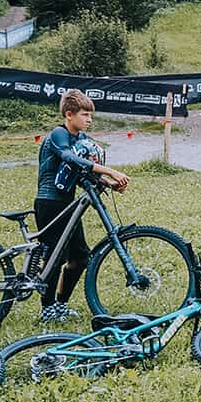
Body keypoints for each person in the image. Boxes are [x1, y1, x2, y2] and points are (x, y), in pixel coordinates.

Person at [35, 89, 130, 323]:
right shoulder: (59, 135)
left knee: (80, 257)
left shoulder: (78, 139)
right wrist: (109, 170)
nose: (89, 120)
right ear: (69, 115)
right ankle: (47, 309)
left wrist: (107, 183)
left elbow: (78, 173)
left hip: (67, 203)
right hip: (49, 203)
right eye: (85, 115)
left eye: (90, 115)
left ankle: (60, 304)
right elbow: (70, 159)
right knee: (56, 256)